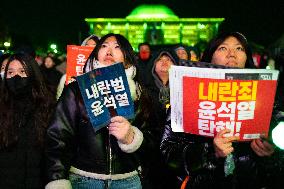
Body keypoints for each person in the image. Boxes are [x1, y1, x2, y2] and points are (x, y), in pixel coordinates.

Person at [161, 32, 284, 189]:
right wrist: (210, 151)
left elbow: (277, 164)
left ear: (247, 57)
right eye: (223, 48)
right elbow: (168, 153)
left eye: (239, 48)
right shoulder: (185, 92)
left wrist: (270, 155)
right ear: (210, 56)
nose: (232, 54)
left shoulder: (267, 96)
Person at [45, 33, 151, 189]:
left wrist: (132, 138)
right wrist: (57, 179)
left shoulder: (140, 93)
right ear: (96, 55)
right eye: (104, 46)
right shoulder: (76, 89)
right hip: (83, 180)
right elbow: (57, 137)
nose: (109, 51)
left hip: (127, 181)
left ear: (127, 57)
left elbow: (154, 139)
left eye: (117, 47)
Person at [0, 53, 56, 188]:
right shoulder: (2, 105)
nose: (16, 77)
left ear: (32, 74)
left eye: (22, 71)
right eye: (10, 72)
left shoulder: (47, 106)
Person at [140, 49, 179, 189]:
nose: (164, 62)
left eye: (169, 59)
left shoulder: (183, 88)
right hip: (150, 151)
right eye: (159, 59)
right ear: (153, 65)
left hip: (175, 151)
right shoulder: (143, 89)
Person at [56, 34, 99, 100]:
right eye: (87, 46)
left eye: (94, 46)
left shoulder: (107, 73)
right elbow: (60, 98)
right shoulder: (66, 77)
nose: (89, 49)